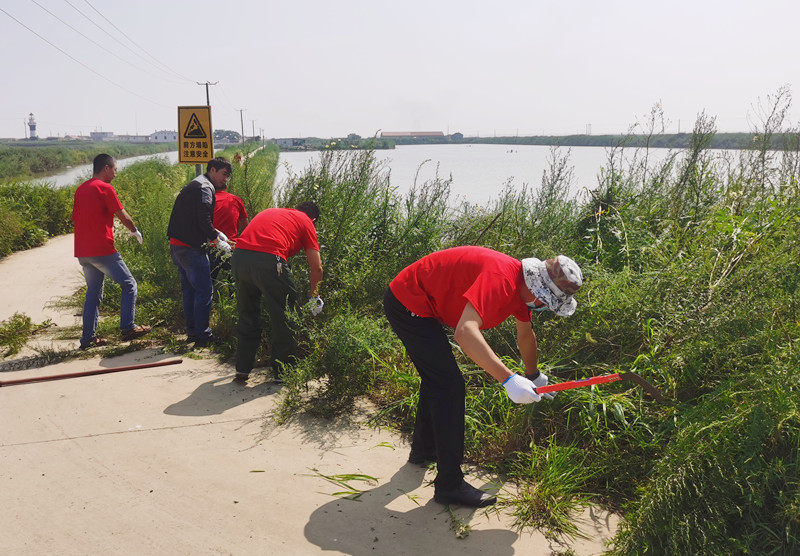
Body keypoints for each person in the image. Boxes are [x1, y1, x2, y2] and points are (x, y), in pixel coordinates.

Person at [383, 246, 583, 508]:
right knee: (449, 386)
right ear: (538, 290)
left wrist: (533, 375)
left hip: (424, 303)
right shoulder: (501, 280)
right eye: (547, 302)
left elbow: (525, 334)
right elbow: (465, 332)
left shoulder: (521, 288)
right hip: (407, 301)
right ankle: (449, 486)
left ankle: (424, 450)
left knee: (438, 379)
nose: (544, 307)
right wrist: (509, 380)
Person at [231, 202, 324, 381]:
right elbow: (317, 268)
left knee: (247, 313)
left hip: (239, 258)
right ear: (313, 219)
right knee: (285, 314)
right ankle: (284, 370)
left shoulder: (272, 212)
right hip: (269, 259)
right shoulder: (306, 221)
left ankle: (242, 367)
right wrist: (315, 297)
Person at [72, 153, 151, 350]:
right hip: (102, 249)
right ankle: (128, 327)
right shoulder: (105, 188)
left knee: (93, 293)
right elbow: (123, 216)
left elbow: (77, 217)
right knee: (129, 284)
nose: (115, 174)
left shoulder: (81, 189)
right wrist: (134, 230)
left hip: (83, 251)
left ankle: (88, 339)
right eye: (114, 169)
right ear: (106, 168)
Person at [167, 157, 233, 348]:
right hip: (191, 248)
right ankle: (203, 335)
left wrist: (216, 233)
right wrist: (216, 240)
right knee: (204, 290)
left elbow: (195, 218)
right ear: (212, 170)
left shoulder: (196, 184)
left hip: (177, 245)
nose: (225, 179)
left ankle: (193, 332)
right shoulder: (205, 187)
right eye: (224, 174)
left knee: (189, 290)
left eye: (228, 176)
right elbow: (203, 218)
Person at [210, 182, 248, 281]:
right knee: (235, 282)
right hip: (230, 247)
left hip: (211, 246)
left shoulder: (207, 200)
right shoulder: (235, 200)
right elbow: (246, 227)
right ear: (226, 187)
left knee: (207, 282)